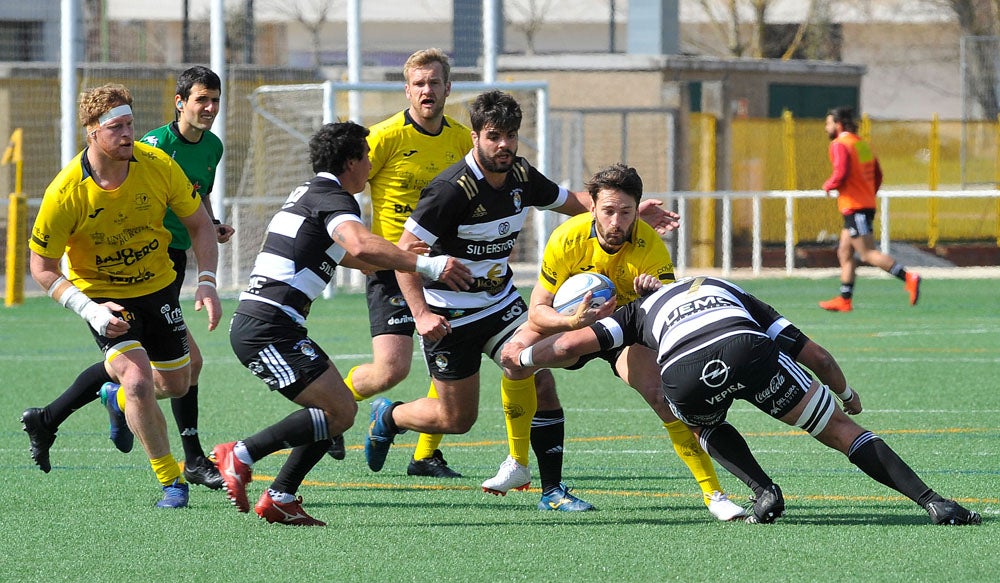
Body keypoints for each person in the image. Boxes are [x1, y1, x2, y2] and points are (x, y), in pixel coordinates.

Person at [362, 90, 677, 511]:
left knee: (539, 377)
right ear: (475, 137)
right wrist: (420, 315)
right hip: (447, 314)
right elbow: (405, 256)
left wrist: (628, 213)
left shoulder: (521, 176)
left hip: (499, 306)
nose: (504, 145)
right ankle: (390, 416)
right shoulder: (449, 191)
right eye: (494, 136)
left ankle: (551, 490)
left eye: (511, 135)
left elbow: (575, 202)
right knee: (456, 419)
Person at [502, 276, 982, 526]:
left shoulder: (636, 312)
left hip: (685, 374)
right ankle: (933, 502)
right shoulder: (722, 287)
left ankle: (763, 491)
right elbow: (816, 353)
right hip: (744, 347)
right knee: (838, 430)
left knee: (698, 424)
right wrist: (847, 394)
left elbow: (566, 348)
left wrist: (521, 356)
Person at [212, 121, 471, 526]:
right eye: (366, 157)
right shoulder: (335, 198)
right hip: (267, 326)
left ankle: (281, 496)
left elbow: (350, 254)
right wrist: (427, 263)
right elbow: (359, 244)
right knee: (338, 412)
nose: (370, 164)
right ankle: (241, 454)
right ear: (351, 161)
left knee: (338, 409)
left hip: (274, 324)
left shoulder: (311, 192)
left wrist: (395, 258)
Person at [498, 163, 745, 519]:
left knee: (664, 398)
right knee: (512, 355)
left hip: (625, 330)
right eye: (608, 211)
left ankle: (715, 496)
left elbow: (666, 310)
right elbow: (537, 310)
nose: (616, 222)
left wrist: (652, 295)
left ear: (637, 210)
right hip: (572, 323)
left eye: (626, 212)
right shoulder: (566, 238)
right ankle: (517, 462)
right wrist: (571, 320)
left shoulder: (650, 247)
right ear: (593, 208)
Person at [22, 83, 222, 508]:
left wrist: (207, 280)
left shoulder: (158, 164)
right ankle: (172, 481)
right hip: (105, 298)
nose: (129, 134)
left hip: (159, 287)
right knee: (139, 380)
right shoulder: (66, 192)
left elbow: (200, 224)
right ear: (92, 131)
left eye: (131, 124)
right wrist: (88, 309)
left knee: (179, 381)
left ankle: (112, 396)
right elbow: (41, 267)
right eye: (117, 127)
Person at [340, 48, 473, 477]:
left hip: (447, 268)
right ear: (407, 90)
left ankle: (425, 455)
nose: (427, 91)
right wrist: (353, 245)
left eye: (434, 83)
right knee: (389, 371)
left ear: (448, 88)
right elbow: (344, 189)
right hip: (393, 268)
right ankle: (328, 408)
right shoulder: (383, 137)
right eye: (419, 84)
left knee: (449, 358)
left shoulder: (460, 139)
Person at [128, 65, 234, 490]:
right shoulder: (151, 146)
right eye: (201, 100)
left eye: (214, 101)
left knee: (179, 366)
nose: (209, 108)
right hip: (145, 262)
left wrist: (211, 222)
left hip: (176, 259)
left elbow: (198, 193)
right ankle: (190, 459)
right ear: (180, 102)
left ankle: (103, 401)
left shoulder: (213, 147)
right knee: (186, 364)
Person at [818, 106, 921, 312]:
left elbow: (842, 171)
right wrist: (867, 193)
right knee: (845, 251)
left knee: (866, 254)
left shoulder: (840, 144)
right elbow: (878, 175)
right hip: (862, 205)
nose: (826, 128)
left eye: (828, 124)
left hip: (855, 207)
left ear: (838, 125)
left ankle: (908, 276)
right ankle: (845, 299)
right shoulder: (863, 144)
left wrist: (829, 184)